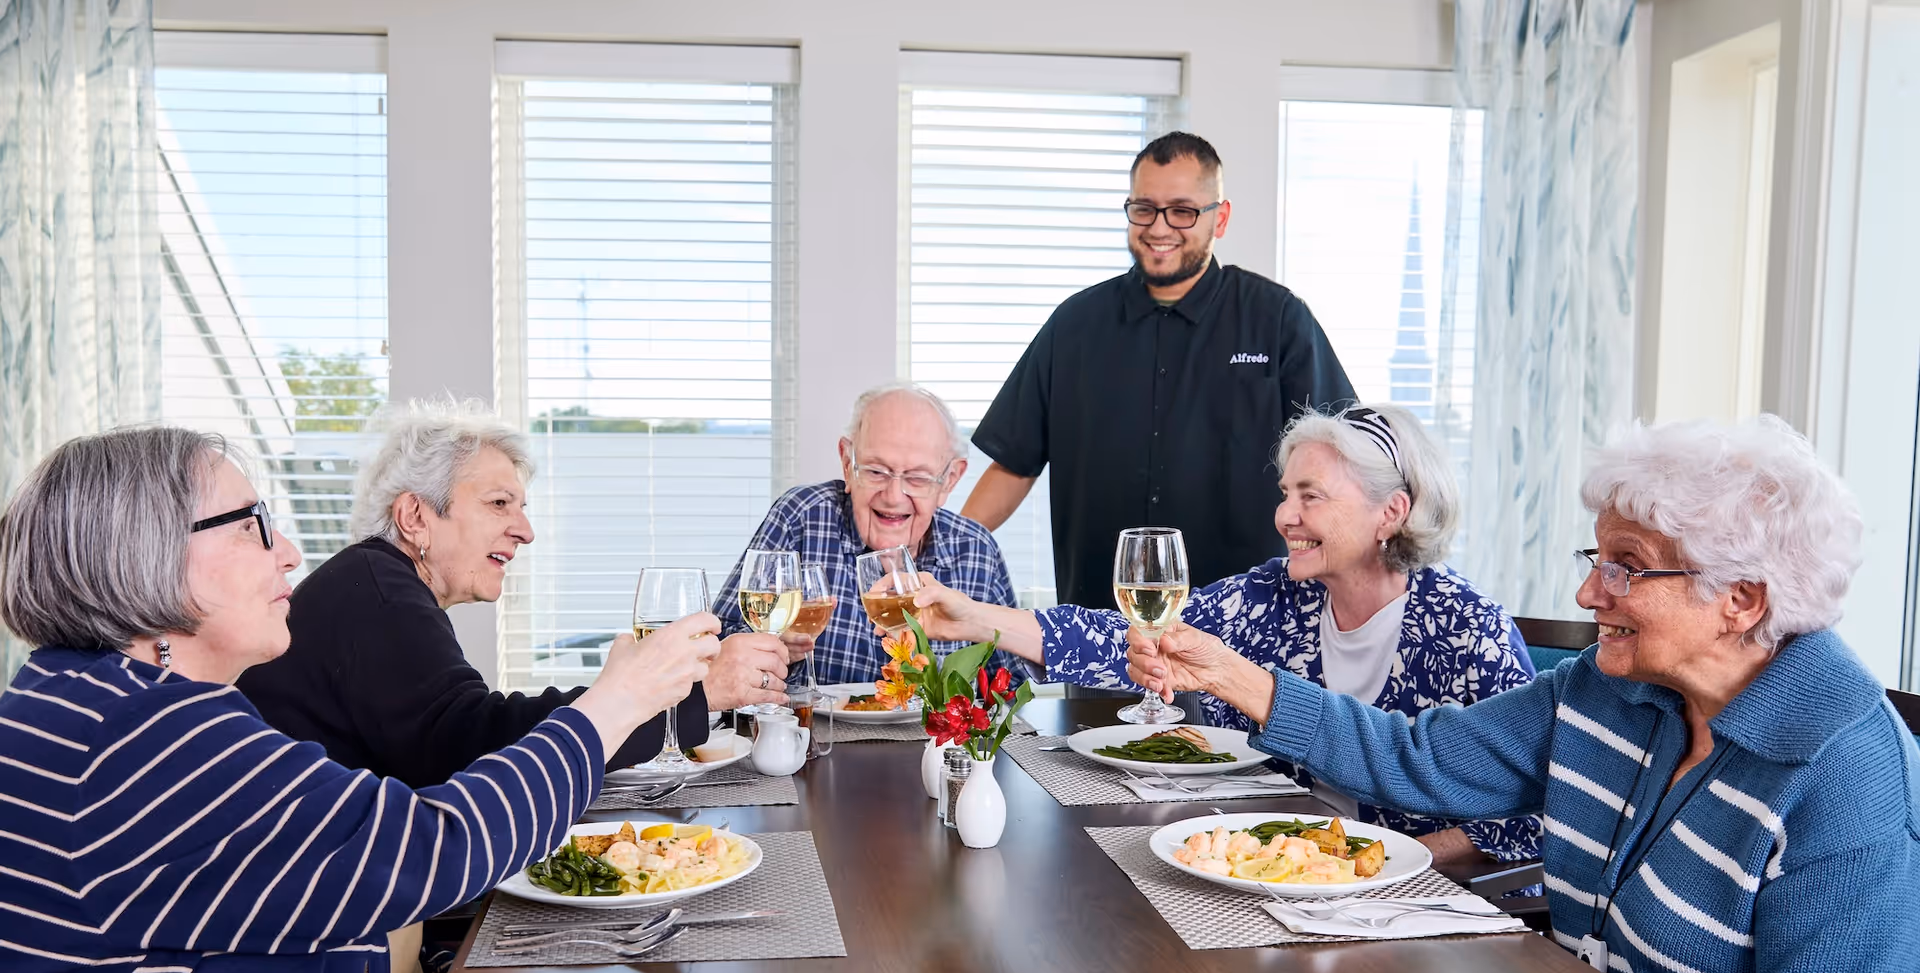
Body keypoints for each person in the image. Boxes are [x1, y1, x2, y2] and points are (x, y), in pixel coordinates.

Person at [1126, 415, 1920, 973]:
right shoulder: (1608, 691)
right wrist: (1239, 680)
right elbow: (1422, 758)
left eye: (1627, 569)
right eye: (1596, 559)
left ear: (1740, 601)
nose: (1588, 594)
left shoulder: (1845, 772)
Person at [0, 426, 770, 973]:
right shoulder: (141, 738)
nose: (290, 551)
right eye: (253, 525)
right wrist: (619, 701)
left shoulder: (103, 705)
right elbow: (436, 843)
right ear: (144, 553)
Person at [914, 404, 1538, 862]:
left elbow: (1525, 820)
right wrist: (977, 617)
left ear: (1391, 513)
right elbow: (1132, 638)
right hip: (1275, 866)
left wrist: (1374, 863)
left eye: (1310, 496)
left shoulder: (1467, 630)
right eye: (1285, 492)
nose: (1284, 515)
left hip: (1406, 905)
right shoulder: (1276, 595)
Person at [241, 400, 791, 789]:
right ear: (415, 516)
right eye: (500, 504)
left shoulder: (375, 583)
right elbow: (474, 749)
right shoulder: (379, 590)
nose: (525, 531)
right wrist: (691, 694)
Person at [963, 131, 1357, 609]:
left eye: (1183, 210)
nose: (1160, 227)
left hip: (1249, 626)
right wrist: (945, 553)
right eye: (1145, 208)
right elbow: (1014, 464)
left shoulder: (1277, 321)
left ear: (1221, 218)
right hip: (1101, 630)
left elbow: (1341, 464)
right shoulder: (1074, 325)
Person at [714, 382, 1028, 690]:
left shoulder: (975, 549)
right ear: (848, 464)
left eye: (917, 478)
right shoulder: (801, 517)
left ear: (949, 480)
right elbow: (719, 646)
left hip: (929, 742)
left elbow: (1008, 687)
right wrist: (772, 647)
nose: (893, 497)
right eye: (877, 471)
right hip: (816, 739)